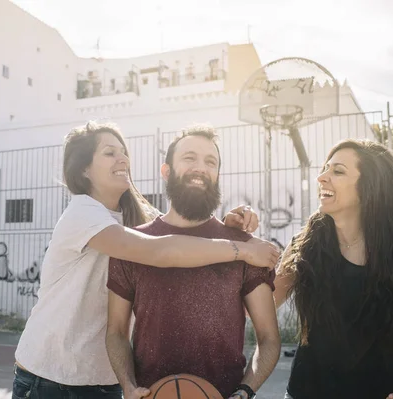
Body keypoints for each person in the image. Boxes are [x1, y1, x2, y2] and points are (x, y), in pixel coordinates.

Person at [12, 121, 281, 399]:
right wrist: (242, 250)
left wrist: (227, 226)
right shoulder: (83, 214)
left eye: (123, 151)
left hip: (103, 379)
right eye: (109, 153)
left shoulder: (132, 219)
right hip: (52, 375)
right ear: (84, 169)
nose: (123, 159)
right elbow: (162, 250)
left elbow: (183, 229)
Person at [105, 125, 281, 399]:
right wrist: (127, 385)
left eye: (210, 162)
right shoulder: (134, 245)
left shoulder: (249, 247)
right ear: (166, 171)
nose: (201, 167)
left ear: (217, 175)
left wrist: (245, 391)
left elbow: (269, 339)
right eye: (189, 158)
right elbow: (116, 331)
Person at [274, 139, 393, 399]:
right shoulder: (305, 245)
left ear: (369, 187)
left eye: (337, 171)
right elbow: (263, 303)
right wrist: (237, 242)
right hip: (305, 393)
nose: (321, 177)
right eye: (325, 168)